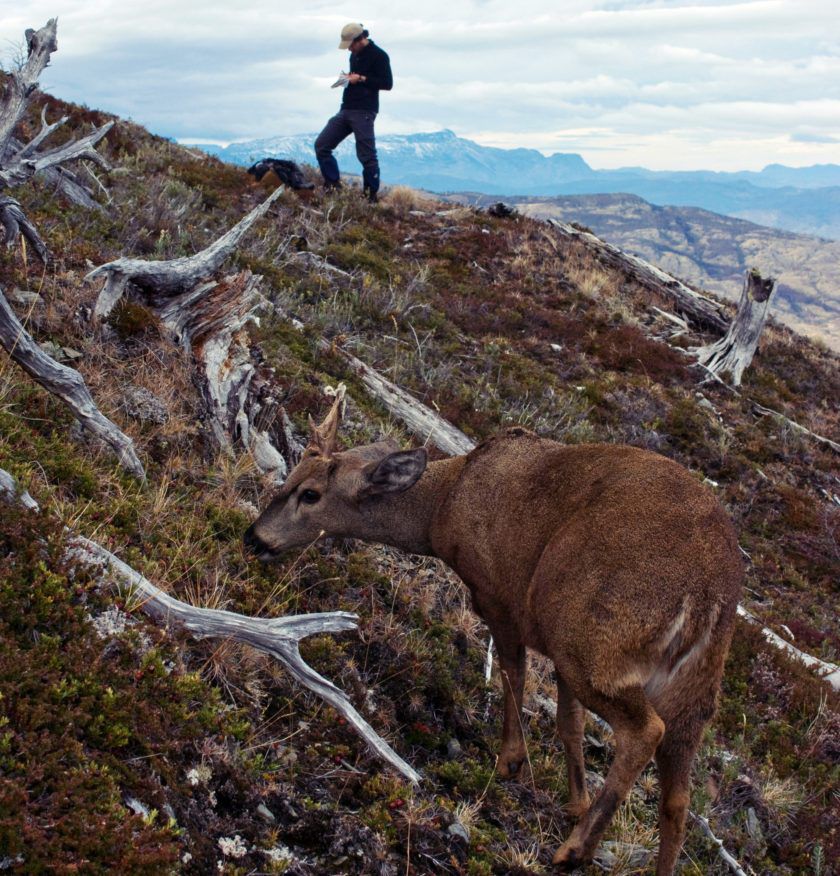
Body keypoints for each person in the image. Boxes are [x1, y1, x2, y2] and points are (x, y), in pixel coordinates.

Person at [314, 23, 392, 203]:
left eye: (350, 44)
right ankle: (333, 186)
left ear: (360, 39)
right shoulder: (354, 55)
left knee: (367, 156)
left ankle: (370, 198)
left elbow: (387, 83)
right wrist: (348, 78)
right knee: (322, 145)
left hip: (364, 111)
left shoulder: (379, 55)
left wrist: (362, 78)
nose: (349, 49)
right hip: (346, 108)